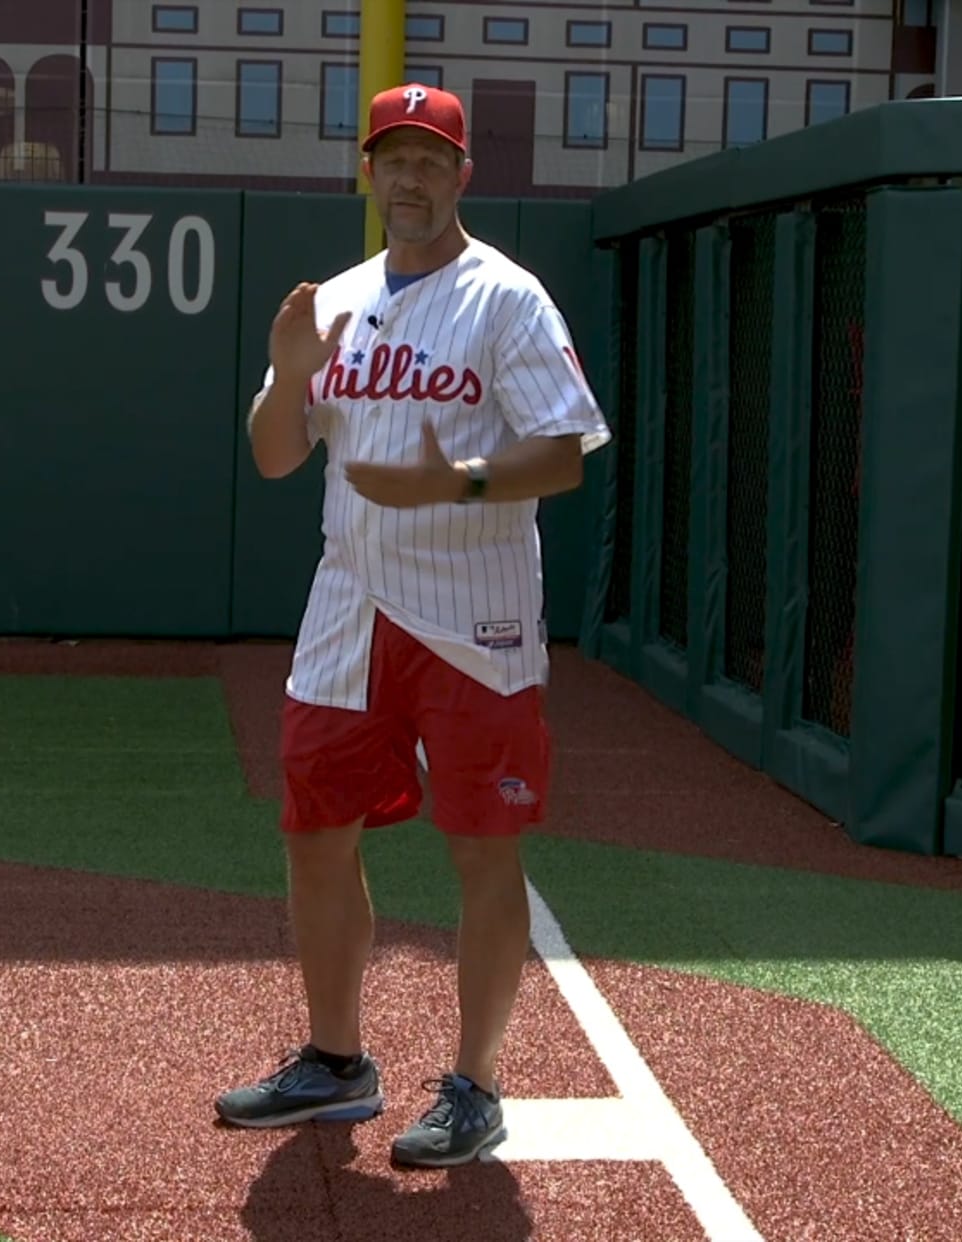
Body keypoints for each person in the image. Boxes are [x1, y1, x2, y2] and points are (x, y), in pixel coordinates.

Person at [215, 82, 612, 1169]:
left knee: (485, 845)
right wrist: (289, 376)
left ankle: (475, 1082)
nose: (412, 176)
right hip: (350, 604)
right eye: (395, 157)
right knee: (313, 829)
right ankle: (337, 1064)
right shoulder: (335, 300)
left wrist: (463, 478)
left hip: (472, 608)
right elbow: (274, 454)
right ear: (369, 172)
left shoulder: (508, 299)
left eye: (432, 159)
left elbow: (567, 451)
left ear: (462, 173)